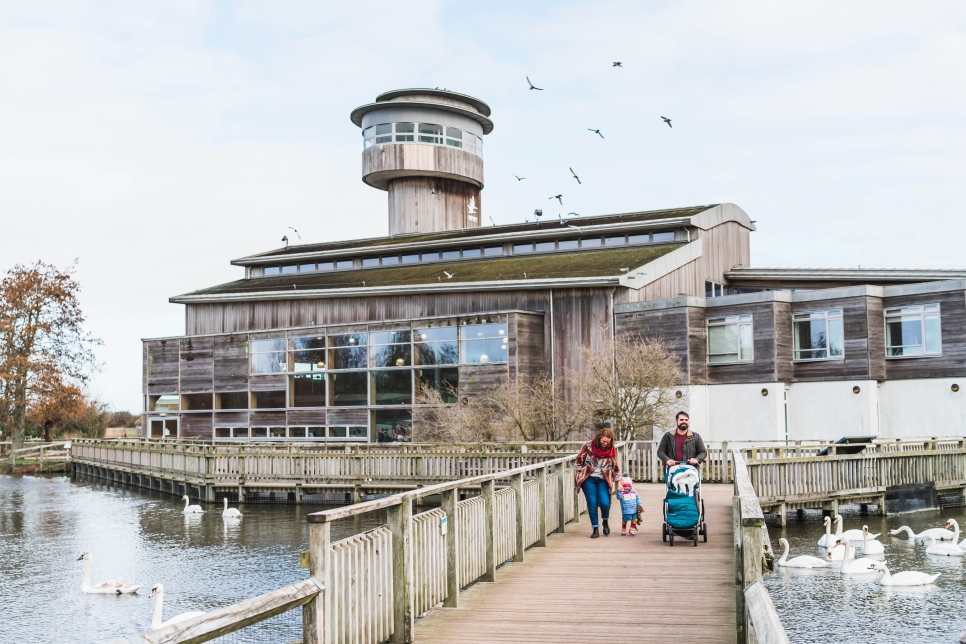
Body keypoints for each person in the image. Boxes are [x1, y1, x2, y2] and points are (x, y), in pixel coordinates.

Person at [574, 427, 621, 538]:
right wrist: (578, 473)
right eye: (603, 441)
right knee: (592, 503)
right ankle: (595, 528)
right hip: (588, 478)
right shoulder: (589, 445)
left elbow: (615, 465)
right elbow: (579, 459)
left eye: (607, 442)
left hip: (603, 479)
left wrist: (618, 480)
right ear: (599, 438)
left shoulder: (612, 450)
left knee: (605, 502)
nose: (605, 444)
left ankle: (605, 521)